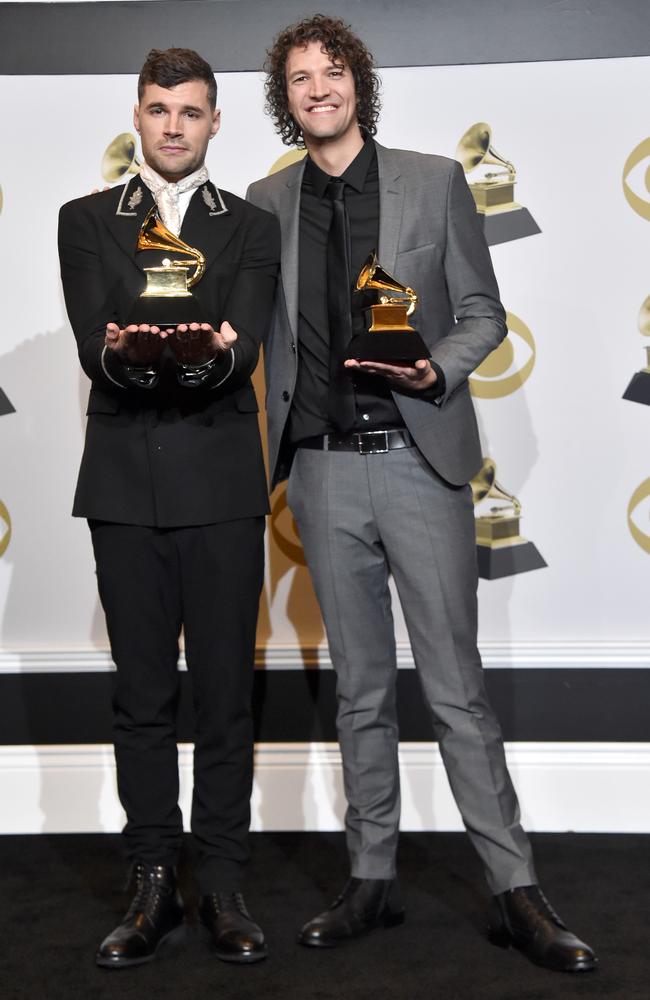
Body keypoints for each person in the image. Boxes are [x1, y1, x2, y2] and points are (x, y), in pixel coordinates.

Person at [247, 15, 597, 973]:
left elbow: (481, 309)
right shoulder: (265, 200)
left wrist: (436, 373)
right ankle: (372, 878)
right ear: (286, 97)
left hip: (417, 459)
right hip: (318, 469)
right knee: (360, 689)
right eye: (300, 78)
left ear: (359, 81)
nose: (318, 89)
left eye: (333, 72)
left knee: (455, 691)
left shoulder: (435, 180)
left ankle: (517, 889)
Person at [58, 47, 279, 967]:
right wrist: (142, 355)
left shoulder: (254, 224)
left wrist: (199, 358)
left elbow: (245, 340)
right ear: (137, 118)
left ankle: (221, 883)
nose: (175, 126)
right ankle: (151, 883)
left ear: (217, 121)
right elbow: (94, 342)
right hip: (124, 486)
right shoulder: (82, 218)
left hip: (224, 484)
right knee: (142, 695)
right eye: (160, 110)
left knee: (225, 694)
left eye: (192, 110)